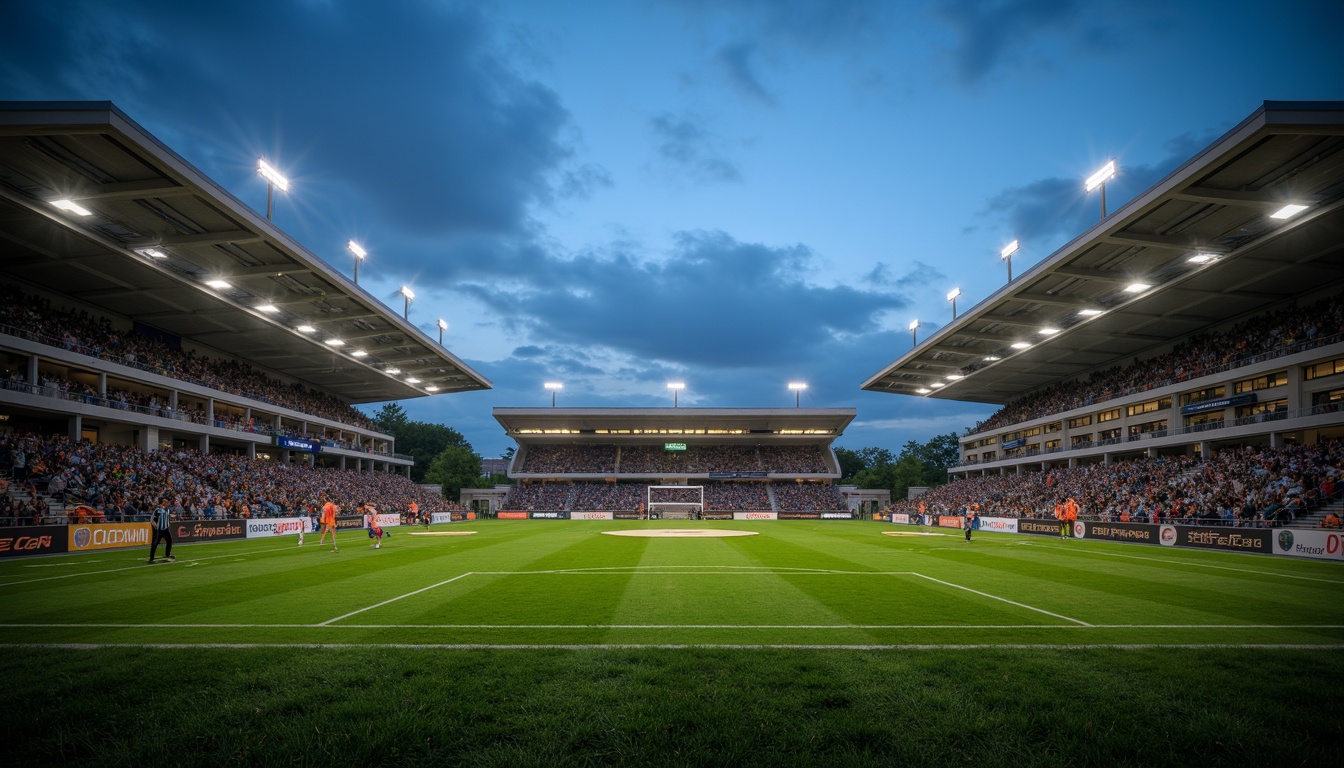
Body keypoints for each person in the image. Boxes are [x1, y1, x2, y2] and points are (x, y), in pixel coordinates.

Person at [148, 498, 174, 564]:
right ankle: (151, 558)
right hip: (159, 529)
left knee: (169, 541)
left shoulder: (167, 509)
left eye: (167, 501)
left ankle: (167, 554)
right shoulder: (158, 510)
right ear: (162, 502)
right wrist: (156, 527)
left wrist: (168, 525)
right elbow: (152, 519)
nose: (167, 502)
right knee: (155, 543)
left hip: (165, 529)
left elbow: (168, 518)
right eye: (165, 501)